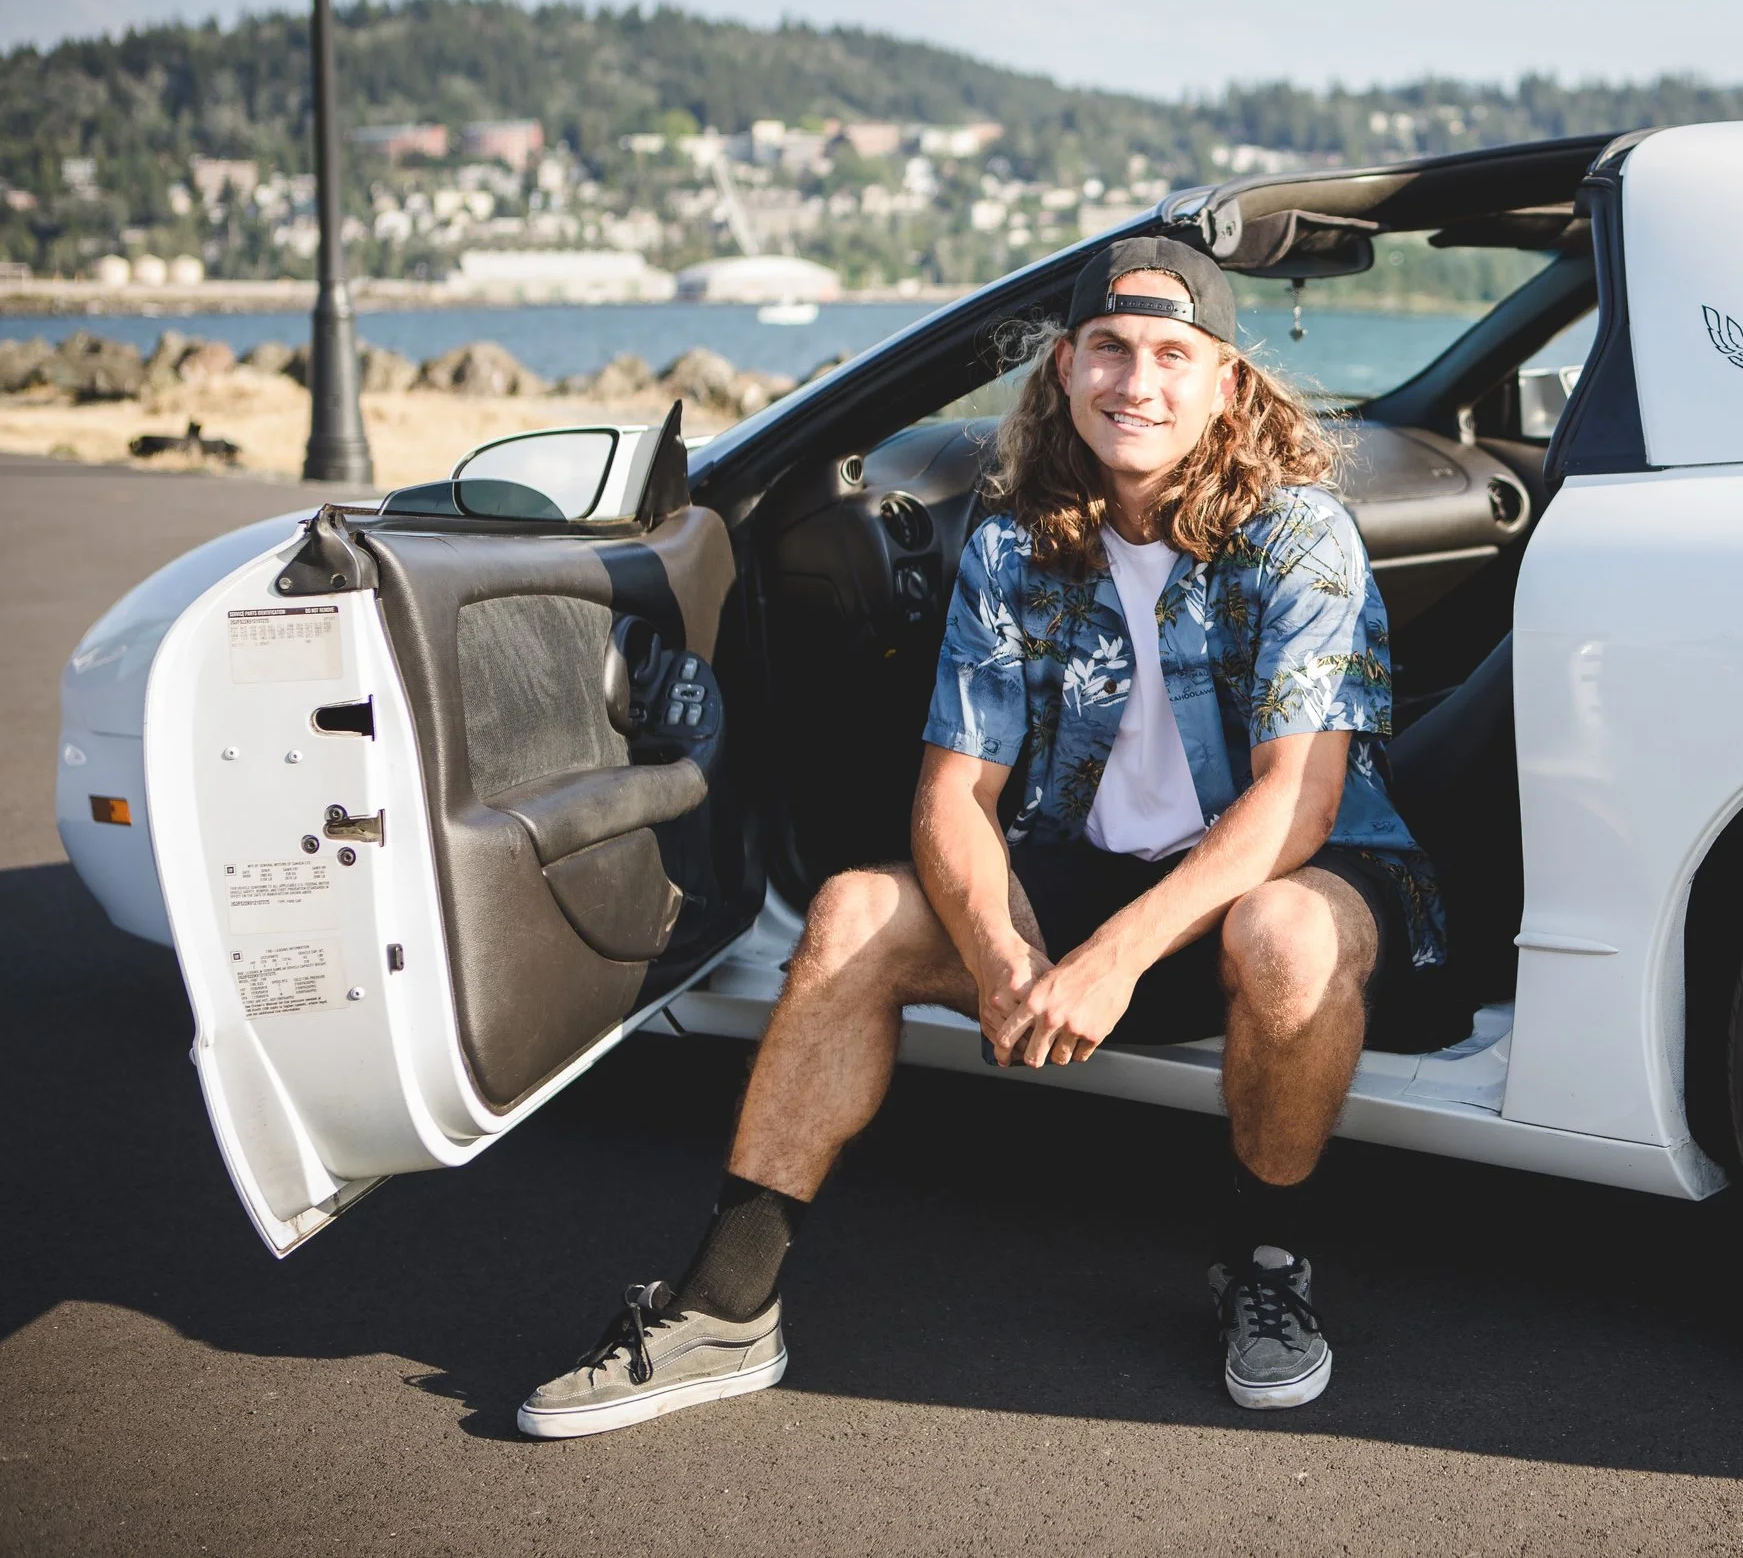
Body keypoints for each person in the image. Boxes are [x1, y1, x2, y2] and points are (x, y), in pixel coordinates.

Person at [518, 236, 1446, 1439]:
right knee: (853, 912)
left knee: (1284, 933)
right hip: (1085, 872)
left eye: (1172, 355)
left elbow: (1296, 804)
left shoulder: (1297, 534)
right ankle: (724, 1306)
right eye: (1108, 349)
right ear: (1064, 367)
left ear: (1226, 381)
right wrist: (1005, 956)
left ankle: (1264, 1263)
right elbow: (952, 792)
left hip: (1292, 876)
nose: (1136, 382)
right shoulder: (1015, 542)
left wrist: (1107, 958)